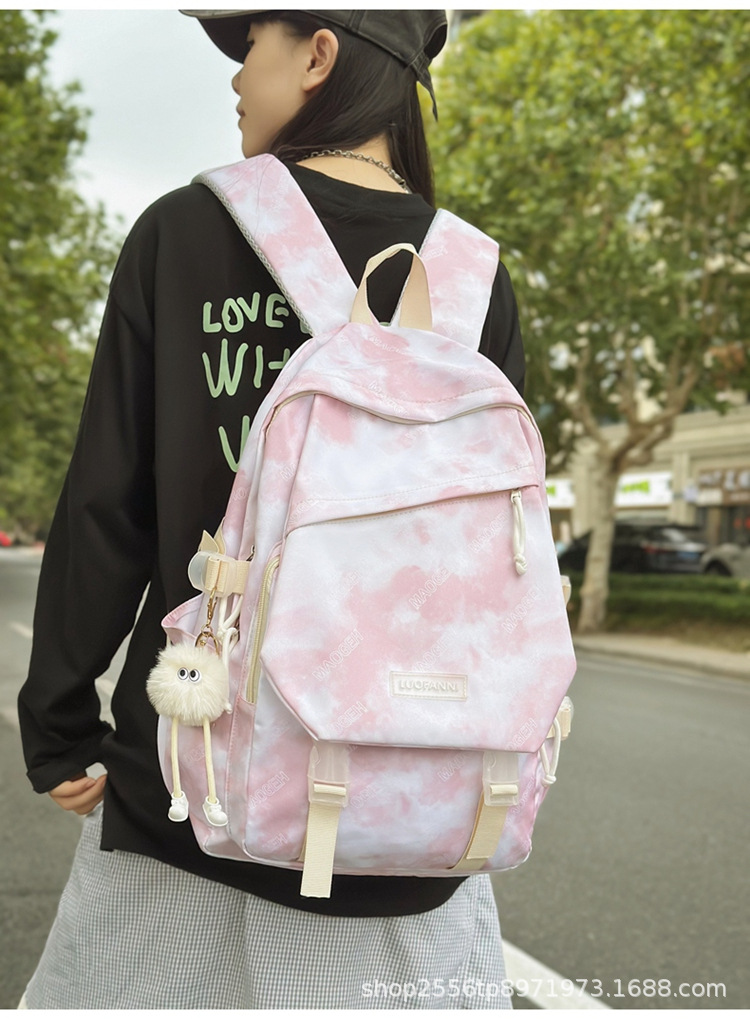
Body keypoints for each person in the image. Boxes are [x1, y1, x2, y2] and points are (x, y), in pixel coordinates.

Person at [18, 10, 525, 1009]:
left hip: (192, 781)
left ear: (319, 54)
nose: (238, 77)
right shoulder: (474, 277)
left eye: (251, 46)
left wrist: (61, 723)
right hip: (412, 804)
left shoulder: (183, 231)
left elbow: (107, 504)